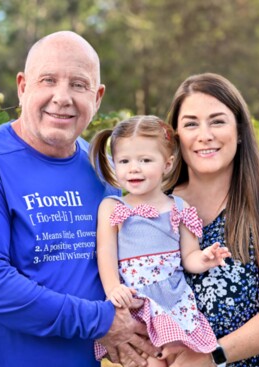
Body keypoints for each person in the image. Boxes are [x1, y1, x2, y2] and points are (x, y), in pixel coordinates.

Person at [0, 31, 160, 367]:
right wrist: (101, 321)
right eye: (48, 80)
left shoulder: (107, 172)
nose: (62, 97)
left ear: (97, 97)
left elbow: (126, 265)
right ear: (23, 86)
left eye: (78, 85)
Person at [164, 73, 259, 367]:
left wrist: (211, 358)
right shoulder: (154, 209)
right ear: (176, 136)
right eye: (190, 123)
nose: (205, 135)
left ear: (239, 131)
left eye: (217, 121)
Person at [89, 115, 232, 366]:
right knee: (149, 360)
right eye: (124, 161)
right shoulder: (113, 207)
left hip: (174, 301)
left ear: (167, 164)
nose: (134, 168)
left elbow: (189, 257)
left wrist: (205, 258)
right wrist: (113, 289)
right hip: (137, 302)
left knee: (181, 359)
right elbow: (105, 253)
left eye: (145, 160)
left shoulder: (179, 207)